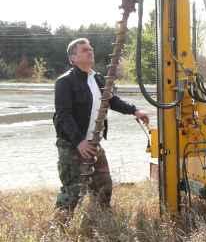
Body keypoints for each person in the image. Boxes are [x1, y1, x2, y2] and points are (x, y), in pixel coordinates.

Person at [53, 38, 149, 213]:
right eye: (84, 50)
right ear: (72, 58)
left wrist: (135, 111)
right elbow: (63, 116)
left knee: (104, 187)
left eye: (90, 48)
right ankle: (59, 228)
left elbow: (112, 101)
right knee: (72, 191)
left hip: (94, 143)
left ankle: (99, 221)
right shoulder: (64, 82)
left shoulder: (97, 79)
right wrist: (79, 142)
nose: (90, 51)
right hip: (72, 145)